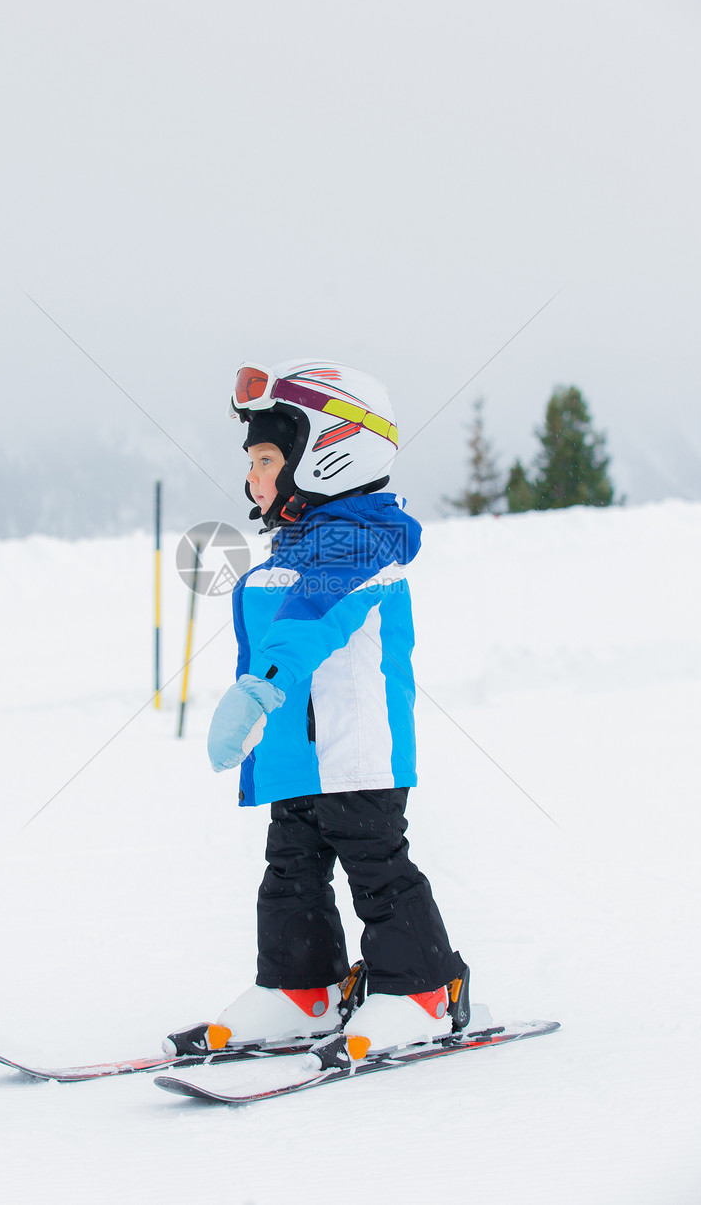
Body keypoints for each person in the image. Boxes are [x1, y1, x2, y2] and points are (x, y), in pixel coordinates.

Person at [164, 359, 469, 1068]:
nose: (253, 478)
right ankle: (303, 989)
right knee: (290, 868)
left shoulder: (360, 542)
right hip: (299, 756)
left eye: (267, 457)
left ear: (331, 457)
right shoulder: (296, 546)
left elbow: (310, 618)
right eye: (252, 460)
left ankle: (423, 990)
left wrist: (258, 689)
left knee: (375, 863)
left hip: (355, 749)